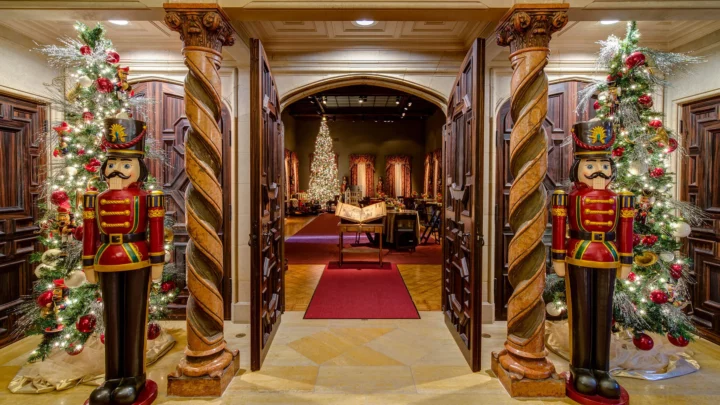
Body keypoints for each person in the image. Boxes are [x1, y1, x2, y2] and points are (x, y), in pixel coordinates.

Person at [83, 118, 165, 404]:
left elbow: (155, 232)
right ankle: (111, 378)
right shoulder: (96, 198)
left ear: (138, 168)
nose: (117, 169)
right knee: (113, 317)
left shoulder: (147, 198)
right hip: (106, 258)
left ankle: (134, 376)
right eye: (113, 163)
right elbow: (91, 232)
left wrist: (157, 262)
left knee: (134, 316)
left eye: (125, 164)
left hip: (136, 256)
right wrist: (88, 262)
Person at [551, 119, 634, 399]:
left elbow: (625, 230)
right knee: (581, 311)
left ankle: (602, 369)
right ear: (578, 169)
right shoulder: (569, 197)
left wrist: (626, 260)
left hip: (608, 255)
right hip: (579, 252)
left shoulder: (621, 199)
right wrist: (558, 258)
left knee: (603, 312)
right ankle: (580, 368)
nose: (599, 170)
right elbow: (561, 228)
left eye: (604, 165)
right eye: (590, 165)